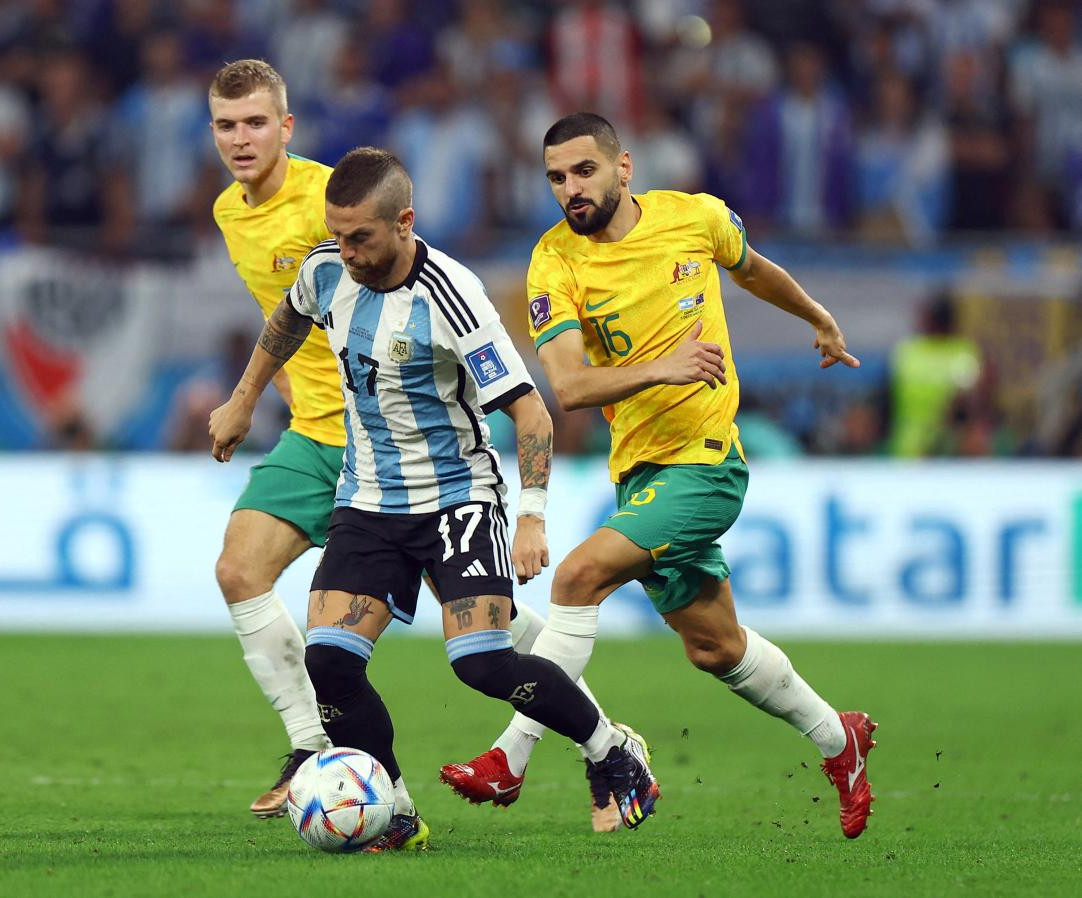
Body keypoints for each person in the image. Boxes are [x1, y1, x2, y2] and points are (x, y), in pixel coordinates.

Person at [207, 61, 625, 827]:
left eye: (255, 122)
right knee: (305, 635)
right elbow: (290, 311)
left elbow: (532, 411)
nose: (344, 251)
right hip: (353, 470)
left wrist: (532, 513)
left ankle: (607, 746)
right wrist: (245, 397)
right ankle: (380, 799)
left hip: (450, 486)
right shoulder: (307, 248)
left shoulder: (434, 278)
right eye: (227, 124)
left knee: (484, 657)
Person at [440, 113, 878, 840]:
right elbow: (571, 387)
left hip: (708, 465)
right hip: (638, 473)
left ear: (624, 167)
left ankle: (509, 758)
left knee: (577, 578)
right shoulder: (554, 262)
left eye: (584, 171)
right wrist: (666, 367)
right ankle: (841, 739)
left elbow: (753, 266)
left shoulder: (694, 218)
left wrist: (819, 316)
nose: (570, 189)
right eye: (556, 177)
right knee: (715, 648)